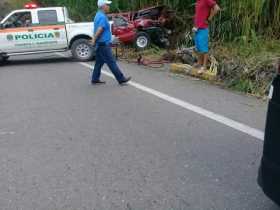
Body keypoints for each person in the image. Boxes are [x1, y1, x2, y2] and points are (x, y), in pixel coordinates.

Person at [91, 0, 131, 85]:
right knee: (111, 62)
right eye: (107, 5)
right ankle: (121, 79)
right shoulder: (102, 17)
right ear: (103, 6)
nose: (109, 6)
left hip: (100, 44)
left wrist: (95, 40)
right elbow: (100, 29)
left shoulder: (98, 15)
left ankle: (95, 79)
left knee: (99, 62)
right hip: (103, 44)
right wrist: (94, 39)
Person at [193, 0, 220, 74]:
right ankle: (199, 63)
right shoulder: (198, 1)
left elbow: (216, 8)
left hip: (203, 28)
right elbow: (199, 13)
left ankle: (204, 67)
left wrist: (209, 19)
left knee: (204, 48)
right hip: (197, 27)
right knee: (198, 47)